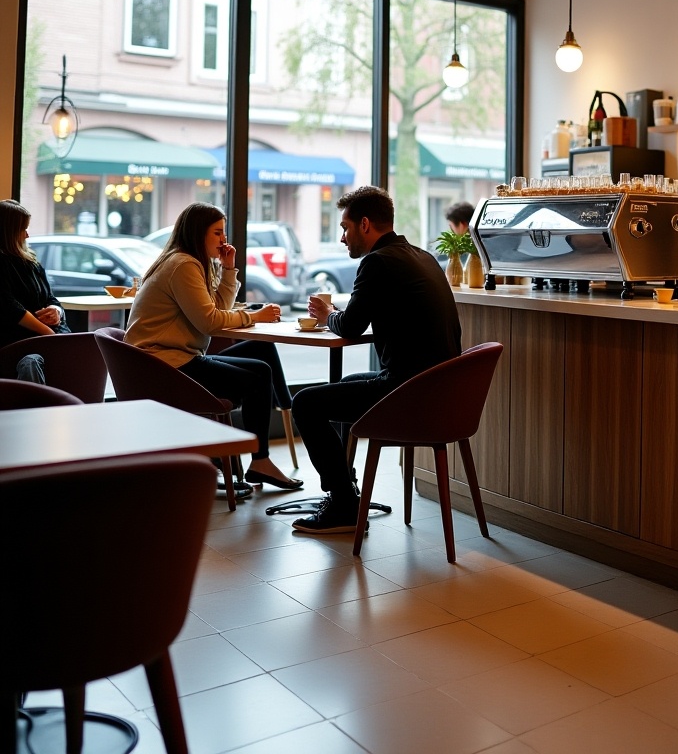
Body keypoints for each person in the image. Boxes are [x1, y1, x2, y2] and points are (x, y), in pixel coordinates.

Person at [292, 185, 462, 534]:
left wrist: (327, 315)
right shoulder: (420, 256)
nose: (342, 238)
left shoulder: (377, 262)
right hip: (442, 394)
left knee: (306, 403)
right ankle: (348, 492)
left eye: (344, 228)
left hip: (409, 394)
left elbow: (351, 324)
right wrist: (338, 314)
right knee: (345, 386)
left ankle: (342, 504)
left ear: (365, 224)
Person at [125, 202, 302, 490]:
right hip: (165, 366)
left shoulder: (190, 262)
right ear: (198, 233)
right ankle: (258, 460)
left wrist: (228, 269)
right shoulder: (183, 265)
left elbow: (218, 307)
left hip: (173, 360)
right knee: (258, 373)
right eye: (217, 232)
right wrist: (255, 316)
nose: (224, 239)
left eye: (224, 232)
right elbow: (210, 321)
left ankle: (254, 442)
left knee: (260, 352)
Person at [0, 199, 70, 382]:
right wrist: (50, 335)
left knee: (86, 348)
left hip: (46, 338)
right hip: (17, 342)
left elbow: (51, 299)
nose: (27, 235)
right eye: (23, 229)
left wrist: (57, 312)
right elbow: (10, 309)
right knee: (32, 360)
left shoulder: (32, 264)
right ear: (8, 232)